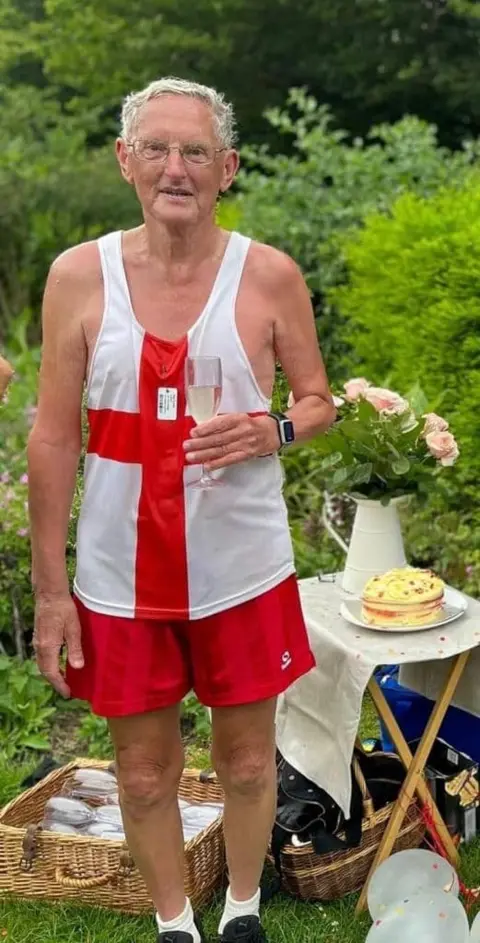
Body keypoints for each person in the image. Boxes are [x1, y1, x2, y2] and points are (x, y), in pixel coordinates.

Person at [27, 77, 336, 943]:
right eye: (156, 148)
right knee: (145, 770)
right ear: (126, 161)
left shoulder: (269, 275)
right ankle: (174, 924)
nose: (176, 168)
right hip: (121, 577)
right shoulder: (77, 276)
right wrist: (53, 594)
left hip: (241, 567)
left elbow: (318, 402)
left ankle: (241, 910)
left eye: (195, 151)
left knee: (244, 760)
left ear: (226, 168)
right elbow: (53, 441)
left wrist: (269, 428)